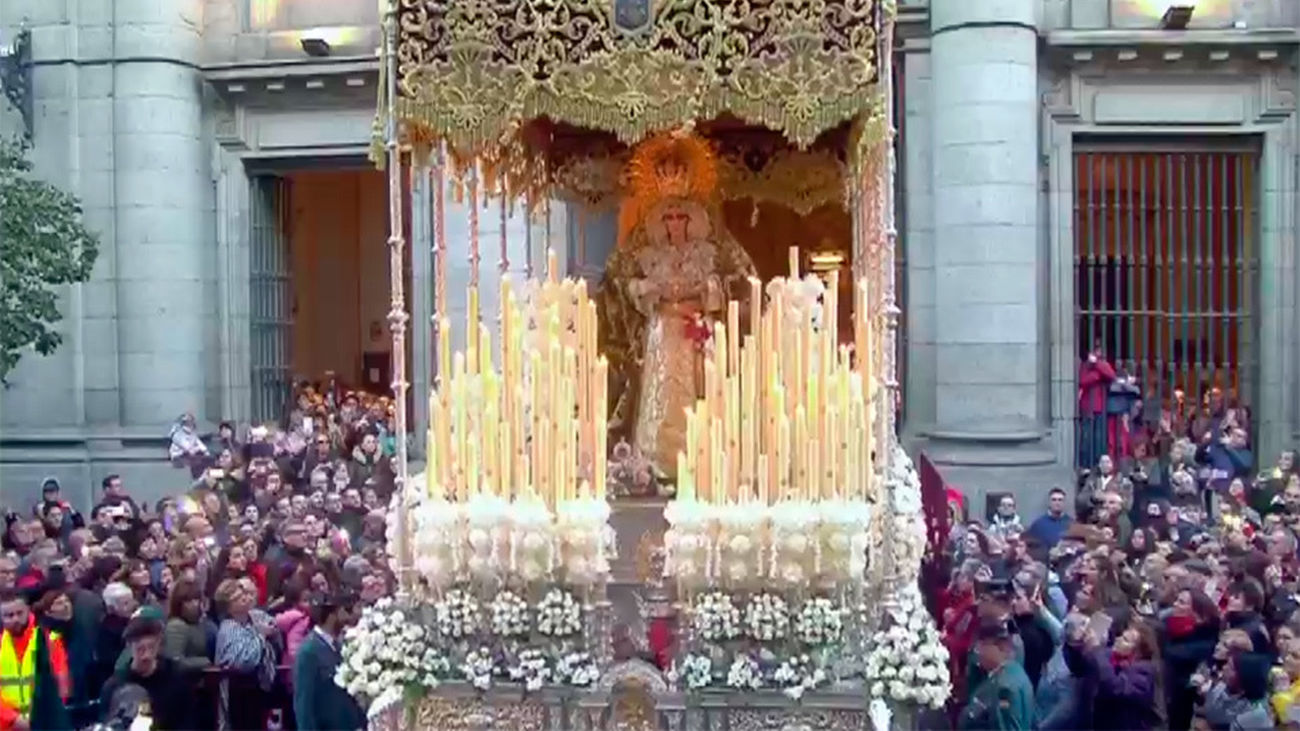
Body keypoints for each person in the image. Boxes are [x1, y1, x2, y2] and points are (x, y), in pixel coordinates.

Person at [97, 617, 193, 730]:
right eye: (140, 649)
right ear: (129, 647)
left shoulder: (176, 680)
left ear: (159, 644)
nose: (146, 655)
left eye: (151, 648)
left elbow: (188, 722)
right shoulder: (115, 687)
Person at [0, 588, 70, 731]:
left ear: (28, 611)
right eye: (9, 615)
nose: (15, 619)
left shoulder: (49, 641)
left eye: (19, 613)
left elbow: (61, 685)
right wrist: (13, 719)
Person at [292, 593, 364, 731]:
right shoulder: (309, 651)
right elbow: (303, 704)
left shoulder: (338, 646)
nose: (347, 617)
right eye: (343, 611)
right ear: (332, 616)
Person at [958, 616, 1035, 730]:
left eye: (982, 647)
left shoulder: (1005, 688)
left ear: (1001, 647)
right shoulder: (1014, 672)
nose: (978, 653)